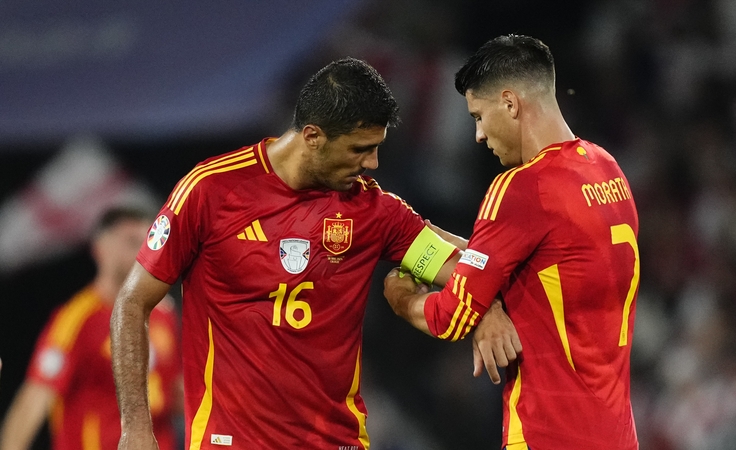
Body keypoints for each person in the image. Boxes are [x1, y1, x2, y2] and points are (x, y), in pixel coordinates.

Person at [110, 57, 518, 450]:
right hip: (231, 442)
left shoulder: (373, 212)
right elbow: (132, 303)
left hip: (334, 441)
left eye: (376, 147)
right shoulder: (210, 191)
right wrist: (136, 429)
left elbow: (465, 265)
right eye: (360, 148)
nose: (372, 163)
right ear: (312, 136)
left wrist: (490, 309)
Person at [384, 35, 640, 449]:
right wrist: (490, 304)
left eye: (479, 116)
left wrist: (398, 291)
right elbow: (527, 261)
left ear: (510, 103)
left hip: (547, 435)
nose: (479, 135)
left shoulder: (522, 188)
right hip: (617, 435)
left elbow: (450, 316)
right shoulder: (607, 169)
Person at [0, 206, 181, 450]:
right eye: (130, 241)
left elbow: (176, 392)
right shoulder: (77, 319)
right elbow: (35, 397)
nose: (142, 251)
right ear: (100, 250)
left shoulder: (164, 314)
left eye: (148, 241)